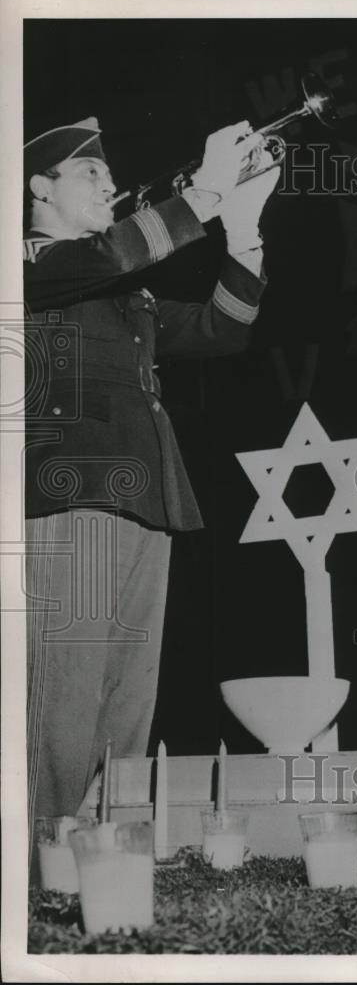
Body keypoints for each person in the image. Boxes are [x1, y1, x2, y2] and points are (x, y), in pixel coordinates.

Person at [23, 116, 280, 848]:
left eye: (109, 174)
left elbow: (224, 328)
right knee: (61, 699)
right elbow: (106, 255)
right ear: (38, 189)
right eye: (90, 175)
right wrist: (201, 193)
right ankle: (42, 868)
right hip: (66, 501)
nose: (110, 183)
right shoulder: (30, 264)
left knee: (123, 702)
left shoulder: (119, 294)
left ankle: (104, 859)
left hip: (144, 503)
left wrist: (244, 227)